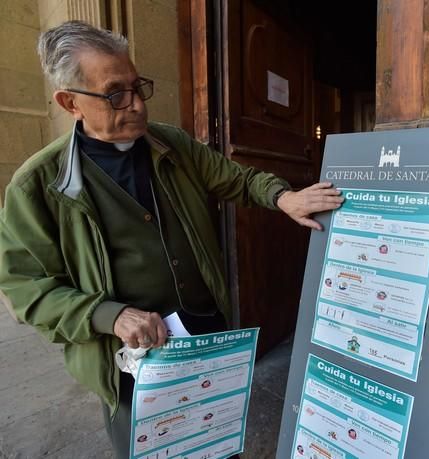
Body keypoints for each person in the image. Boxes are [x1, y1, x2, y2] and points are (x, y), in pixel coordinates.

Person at [0, 21, 342, 458]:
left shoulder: (171, 145)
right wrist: (111, 314)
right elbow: (25, 289)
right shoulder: (38, 185)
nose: (138, 104)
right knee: (152, 449)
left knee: (218, 440)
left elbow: (237, 179)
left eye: (138, 85)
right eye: (116, 93)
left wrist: (283, 197)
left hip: (202, 328)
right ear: (71, 103)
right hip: (129, 356)